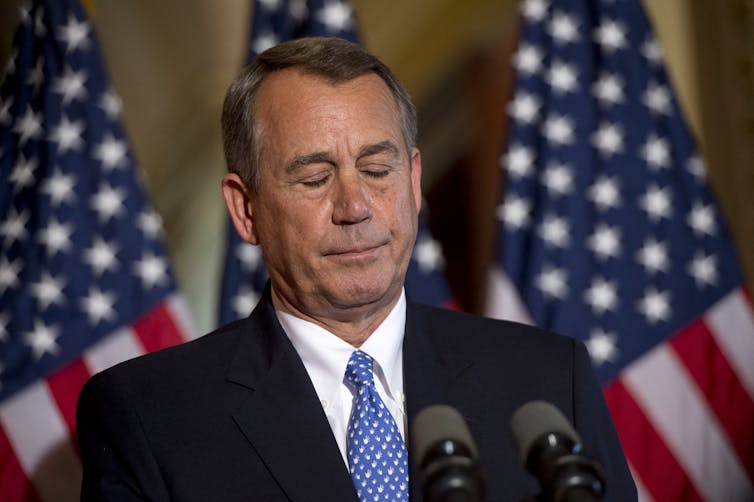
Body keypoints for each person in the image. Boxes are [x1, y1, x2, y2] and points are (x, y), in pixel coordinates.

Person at [77, 37, 636, 501]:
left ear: (414, 182)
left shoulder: (546, 381)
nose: (355, 207)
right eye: (315, 178)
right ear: (246, 210)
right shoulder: (150, 415)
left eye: (376, 169)